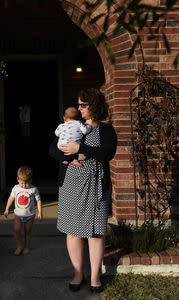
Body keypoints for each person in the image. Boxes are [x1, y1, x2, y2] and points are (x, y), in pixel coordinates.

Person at [49, 88, 117, 293]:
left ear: (94, 106)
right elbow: (52, 150)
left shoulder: (106, 130)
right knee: (73, 232)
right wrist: (70, 158)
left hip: (97, 186)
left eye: (83, 105)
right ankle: (78, 273)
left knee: (96, 233)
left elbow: (108, 153)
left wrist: (81, 150)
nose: (79, 109)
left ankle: (95, 276)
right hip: (71, 186)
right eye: (78, 105)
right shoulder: (71, 125)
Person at [4, 166, 43, 255]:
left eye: (27, 183)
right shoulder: (16, 188)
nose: (24, 185)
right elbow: (11, 198)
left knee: (27, 231)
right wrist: (7, 209)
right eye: (22, 183)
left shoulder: (34, 189)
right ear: (18, 179)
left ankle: (27, 247)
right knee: (16, 229)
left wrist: (40, 212)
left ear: (31, 180)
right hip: (18, 214)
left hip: (30, 215)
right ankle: (19, 246)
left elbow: (38, 201)